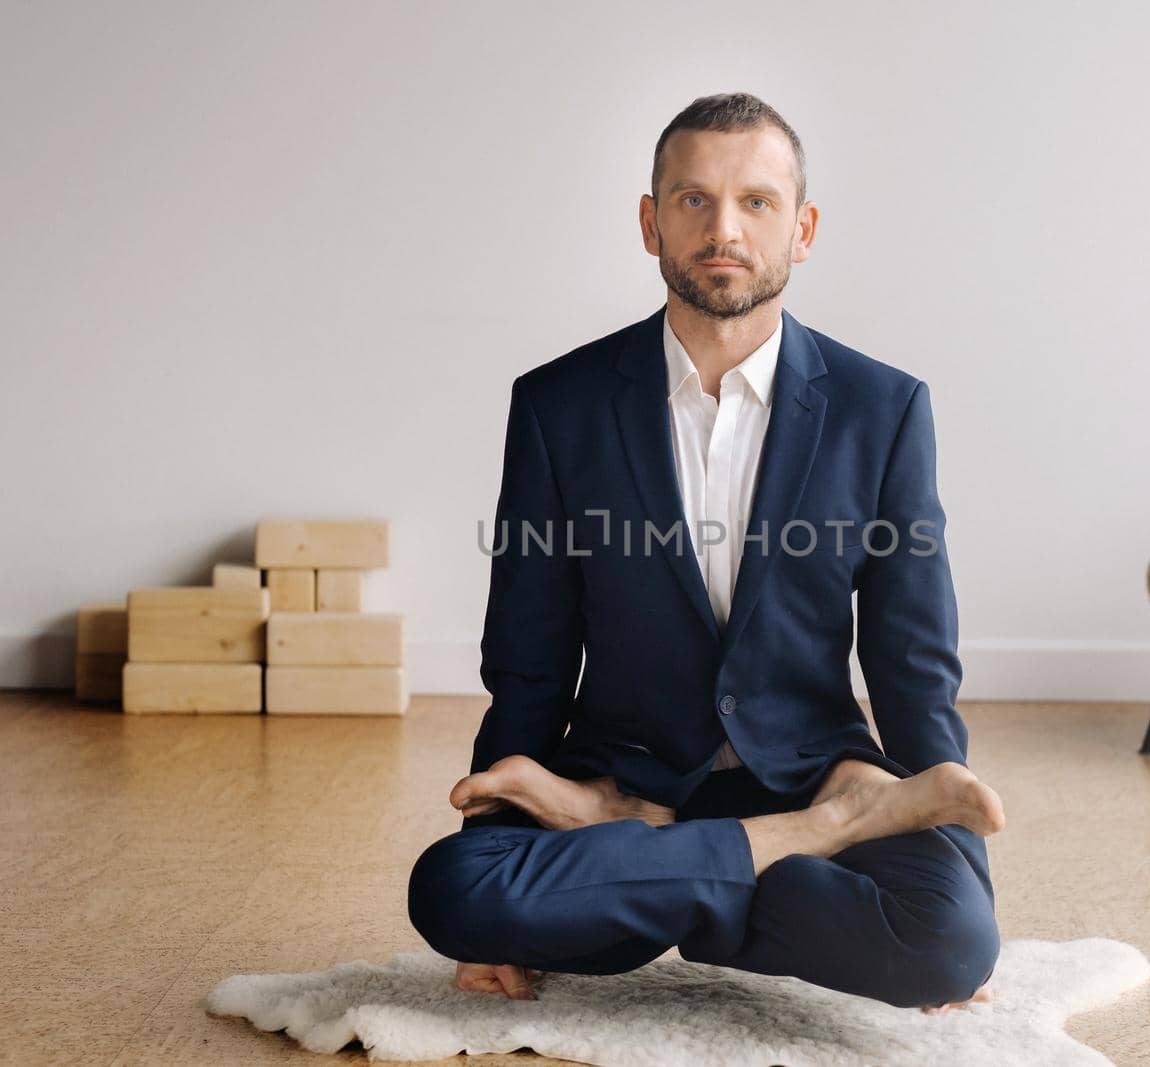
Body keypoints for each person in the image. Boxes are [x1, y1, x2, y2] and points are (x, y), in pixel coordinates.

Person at [408, 92, 1006, 1015]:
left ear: (802, 229)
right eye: (693, 200)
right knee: (454, 889)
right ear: (651, 223)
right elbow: (526, 659)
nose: (723, 228)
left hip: (810, 762)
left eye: (756, 202)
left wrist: (952, 848)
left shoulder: (882, 411)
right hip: (623, 767)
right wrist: (499, 809)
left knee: (953, 939)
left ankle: (645, 859)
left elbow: (913, 666)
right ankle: (781, 838)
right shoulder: (557, 406)